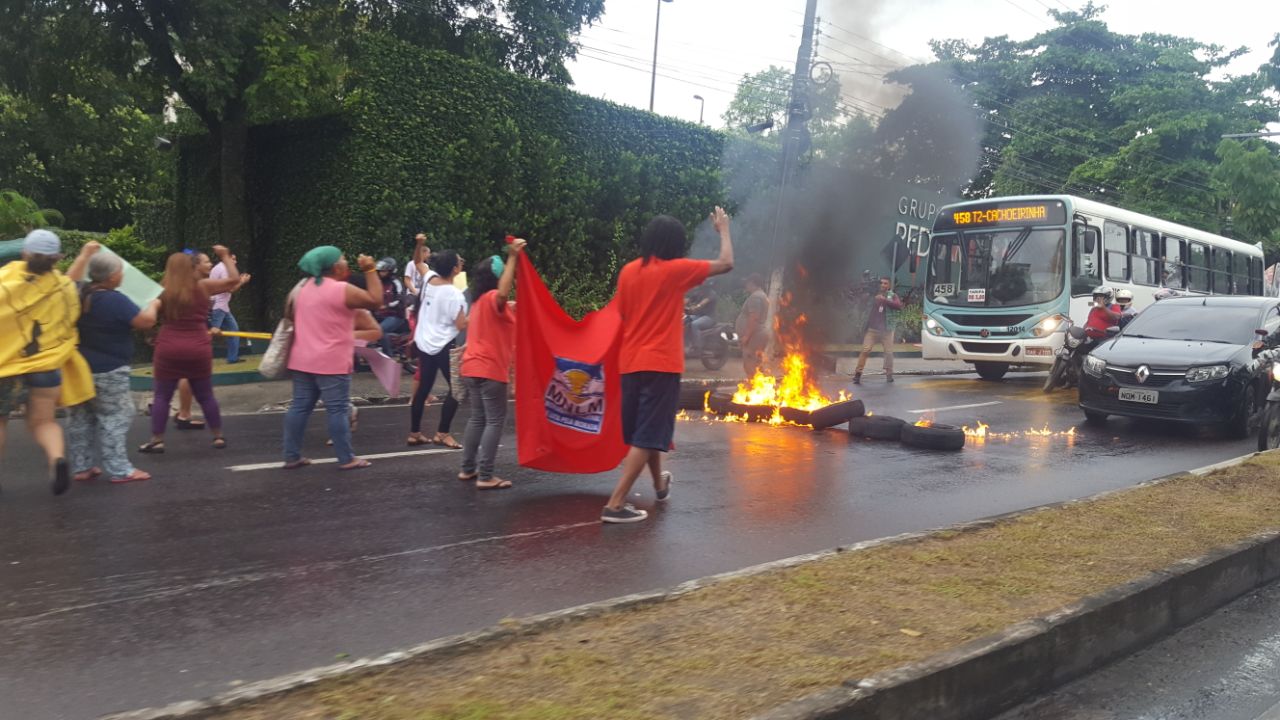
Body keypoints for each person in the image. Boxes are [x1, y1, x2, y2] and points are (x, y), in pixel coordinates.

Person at [602, 208, 734, 524]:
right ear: (676, 246)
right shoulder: (675, 270)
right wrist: (724, 230)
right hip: (661, 364)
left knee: (646, 432)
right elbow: (727, 263)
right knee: (649, 434)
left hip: (630, 363)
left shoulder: (628, 271)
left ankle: (660, 486)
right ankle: (616, 504)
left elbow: (622, 314)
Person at [0, 230, 96, 496]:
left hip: (6, 367)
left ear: (24, 253)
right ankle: (56, 459)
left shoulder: (5, 280)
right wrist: (86, 255)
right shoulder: (63, 287)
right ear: (57, 258)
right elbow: (72, 281)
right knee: (44, 422)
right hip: (46, 366)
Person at [282, 246, 383, 470]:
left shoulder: (302, 288)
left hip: (301, 358)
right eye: (344, 260)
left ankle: (291, 456)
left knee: (299, 407)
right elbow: (376, 300)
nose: (346, 263)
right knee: (337, 410)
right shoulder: (341, 289)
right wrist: (370, 269)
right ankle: (346, 458)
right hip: (331, 360)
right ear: (336, 267)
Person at [67, 249, 160, 483]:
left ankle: (82, 466)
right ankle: (120, 470)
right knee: (116, 417)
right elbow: (145, 321)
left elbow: (68, 280)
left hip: (79, 368)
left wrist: (84, 255)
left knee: (81, 417)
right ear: (111, 277)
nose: (122, 274)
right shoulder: (113, 299)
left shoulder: (78, 293)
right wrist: (154, 304)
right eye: (120, 270)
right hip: (110, 369)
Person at [139, 247, 241, 454]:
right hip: (198, 347)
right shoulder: (203, 287)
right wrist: (225, 257)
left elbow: (147, 319)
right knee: (206, 395)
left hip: (168, 348)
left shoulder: (162, 290)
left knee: (162, 397)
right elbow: (233, 280)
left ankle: (157, 440)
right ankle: (218, 436)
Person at [459, 239, 524, 490]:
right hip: (490, 370)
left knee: (477, 419)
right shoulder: (492, 300)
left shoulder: (478, 303)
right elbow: (503, 294)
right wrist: (513, 257)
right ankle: (486, 475)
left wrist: (509, 306)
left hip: (471, 368)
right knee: (495, 421)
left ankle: (467, 469)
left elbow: (502, 303)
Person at [407, 249, 467, 448]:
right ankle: (442, 432)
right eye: (460, 261)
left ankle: (414, 433)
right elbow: (460, 325)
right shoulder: (454, 295)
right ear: (454, 269)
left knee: (424, 388)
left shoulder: (429, 279)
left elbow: (417, 262)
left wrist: (419, 243)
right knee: (456, 389)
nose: (462, 262)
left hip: (424, 344)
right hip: (444, 346)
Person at [852, 277, 904, 385]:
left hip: (887, 331)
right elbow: (862, 304)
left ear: (889, 286)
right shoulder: (872, 295)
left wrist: (884, 300)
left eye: (885, 283)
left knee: (889, 353)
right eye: (881, 283)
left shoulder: (892, 295)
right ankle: (857, 374)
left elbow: (899, 306)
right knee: (865, 350)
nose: (883, 285)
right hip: (872, 330)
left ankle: (889, 375)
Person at [208, 252, 251, 364]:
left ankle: (232, 358)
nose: (235, 262)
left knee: (233, 330)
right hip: (218, 306)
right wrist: (242, 281)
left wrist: (239, 280)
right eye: (233, 259)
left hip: (221, 306)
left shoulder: (220, 268)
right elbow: (230, 289)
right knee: (210, 333)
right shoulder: (224, 269)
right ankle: (197, 358)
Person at [735, 273, 770, 377]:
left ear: (752, 283)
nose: (746, 285)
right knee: (756, 363)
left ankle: (753, 387)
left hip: (754, 336)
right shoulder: (761, 295)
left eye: (747, 283)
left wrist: (746, 336)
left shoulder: (756, 297)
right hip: (757, 335)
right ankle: (760, 388)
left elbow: (754, 317)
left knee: (750, 364)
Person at [373, 257, 408, 356]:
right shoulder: (377, 283)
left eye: (383, 271)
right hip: (380, 314)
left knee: (380, 330)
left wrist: (387, 306)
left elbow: (400, 299)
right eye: (380, 271)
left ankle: (388, 356)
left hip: (395, 315)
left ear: (390, 271)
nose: (381, 273)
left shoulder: (396, 283)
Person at [683, 280, 717, 355]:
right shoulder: (698, 292)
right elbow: (688, 300)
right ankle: (685, 343)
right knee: (684, 321)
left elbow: (704, 302)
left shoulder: (711, 294)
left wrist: (697, 307)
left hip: (709, 317)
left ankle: (697, 347)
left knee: (694, 324)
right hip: (698, 316)